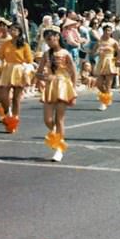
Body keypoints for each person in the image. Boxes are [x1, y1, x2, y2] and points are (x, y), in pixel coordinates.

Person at [37, 28, 77, 162]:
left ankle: (59, 149)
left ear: (57, 37)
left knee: (59, 119)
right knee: (48, 120)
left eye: (51, 39)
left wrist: (74, 89)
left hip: (63, 86)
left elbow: (73, 72)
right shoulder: (46, 54)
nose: (49, 42)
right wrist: (43, 78)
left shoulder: (65, 53)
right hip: (50, 86)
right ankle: (56, 133)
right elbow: (39, 72)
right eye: (47, 40)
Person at [0, 23, 35, 134]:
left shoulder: (24, 45)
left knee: (16, 98)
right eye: (11, 29)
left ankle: (14, 119)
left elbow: (29, 60)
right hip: (8, 69)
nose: (12, 31)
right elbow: (0, 56)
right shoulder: (6, 44)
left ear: (19, 32)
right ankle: (8, 113)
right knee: (3, 95)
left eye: (15, 30)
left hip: (19, 70)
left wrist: (27, 68)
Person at [93, 24, 120, 111]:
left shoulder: (113, 42)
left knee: (108, 85)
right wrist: (97, 52)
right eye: (106, 30)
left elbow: (119, 52)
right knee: (99, 84)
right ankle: (107, 95)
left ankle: (103, 102)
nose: (107, 32)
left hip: (110, 62)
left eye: (109, 30)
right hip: (101, 62)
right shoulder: (99, 41)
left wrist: (117, 60)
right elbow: (93, 52)